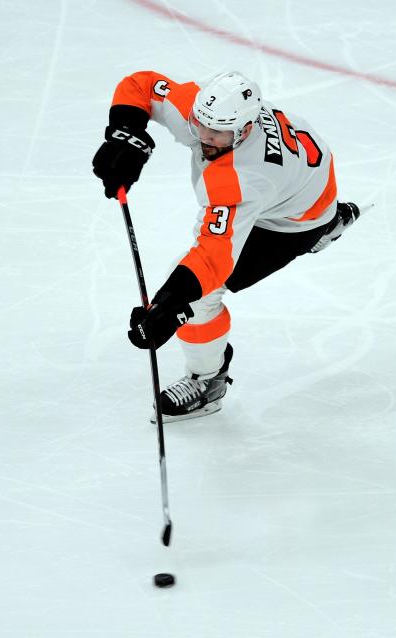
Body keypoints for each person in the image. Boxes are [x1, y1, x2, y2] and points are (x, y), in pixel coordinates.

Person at [92, 70, 363, 422]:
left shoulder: (242, 177)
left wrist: (168, 307)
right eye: (199, 123)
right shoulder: (207, 115)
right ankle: (328, 220)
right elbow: (141, 85)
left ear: (246, 129)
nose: (203, 136)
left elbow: (213, 259)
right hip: (304, 180)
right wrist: (125, 135)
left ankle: (208, 381)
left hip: (288, 223)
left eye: (216, 132)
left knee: (200, 295)